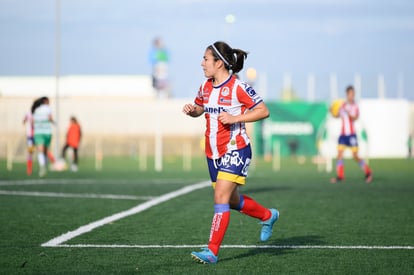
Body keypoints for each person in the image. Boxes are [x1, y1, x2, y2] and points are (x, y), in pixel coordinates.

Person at [183, 41, 279, 264]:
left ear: (219, 63)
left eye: (206, 59)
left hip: (236, 149)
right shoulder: (205, 86)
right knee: (232, 201)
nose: (202, 63)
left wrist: (236, 118)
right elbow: (200, 108)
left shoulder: (238, 87)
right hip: (212, 153)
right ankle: (268, 215)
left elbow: (263, 110)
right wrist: (192, 110)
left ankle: (212, 252)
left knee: (220, 198)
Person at [330, 86, 372, 184]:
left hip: (352, 135)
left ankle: (368, 172)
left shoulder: (355, 106)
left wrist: (349, 114)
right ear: (347, 94)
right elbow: (337, 116)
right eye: (350, 94)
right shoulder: (342, 105)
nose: (352, 95)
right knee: (339, 154)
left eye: (353, 94)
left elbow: (356, 117)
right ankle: (340, 176)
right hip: (343, 134)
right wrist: (332, 111)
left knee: (355, 156)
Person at [32, 97, 54, 177]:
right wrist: (54, 122)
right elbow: (50, 118)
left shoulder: (36, 110)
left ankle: (43, 166)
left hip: (39, 132)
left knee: (43, 151)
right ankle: (43, 167)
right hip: (46, 132)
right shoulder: (48, 109)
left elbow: (33, 121)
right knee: (43, 150)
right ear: (45, 101)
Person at [22, 109, 35, 175]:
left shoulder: (39, 113)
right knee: (30, 152)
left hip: (38, 136)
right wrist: (25, 120)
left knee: (43, 150)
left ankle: (54, 163)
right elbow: (24, 120)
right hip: (30, 137)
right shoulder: (29, 113)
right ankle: (29, 169)